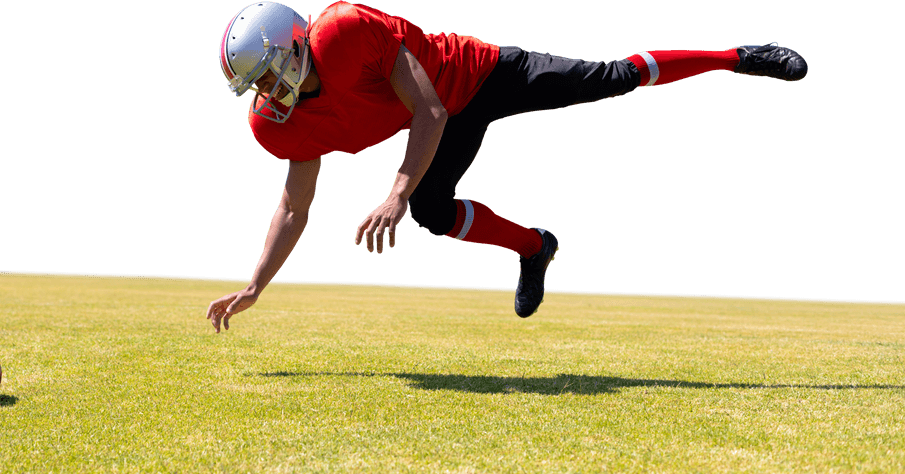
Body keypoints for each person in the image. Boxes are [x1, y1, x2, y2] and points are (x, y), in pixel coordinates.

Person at [206, 1, 807, 332]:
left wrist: (392, 194)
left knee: (614, 77)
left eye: (262, 75)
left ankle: (737, 57)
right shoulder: (277, 121)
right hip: (440, 115)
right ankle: (534, 248)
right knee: (433, 213)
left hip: (477, 75)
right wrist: (258, 285)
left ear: (290, 47)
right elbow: (295, 204)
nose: (263, 93)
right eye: (251, 85)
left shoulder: (341, 32)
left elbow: (430, 109)